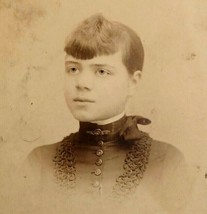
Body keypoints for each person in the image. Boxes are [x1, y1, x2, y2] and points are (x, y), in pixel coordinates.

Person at [22, 14, 191, 214]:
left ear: (133, 82)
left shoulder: (167, 162)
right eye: (73, 69)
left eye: (101, 72)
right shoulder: (40, 163)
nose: (82, 83)